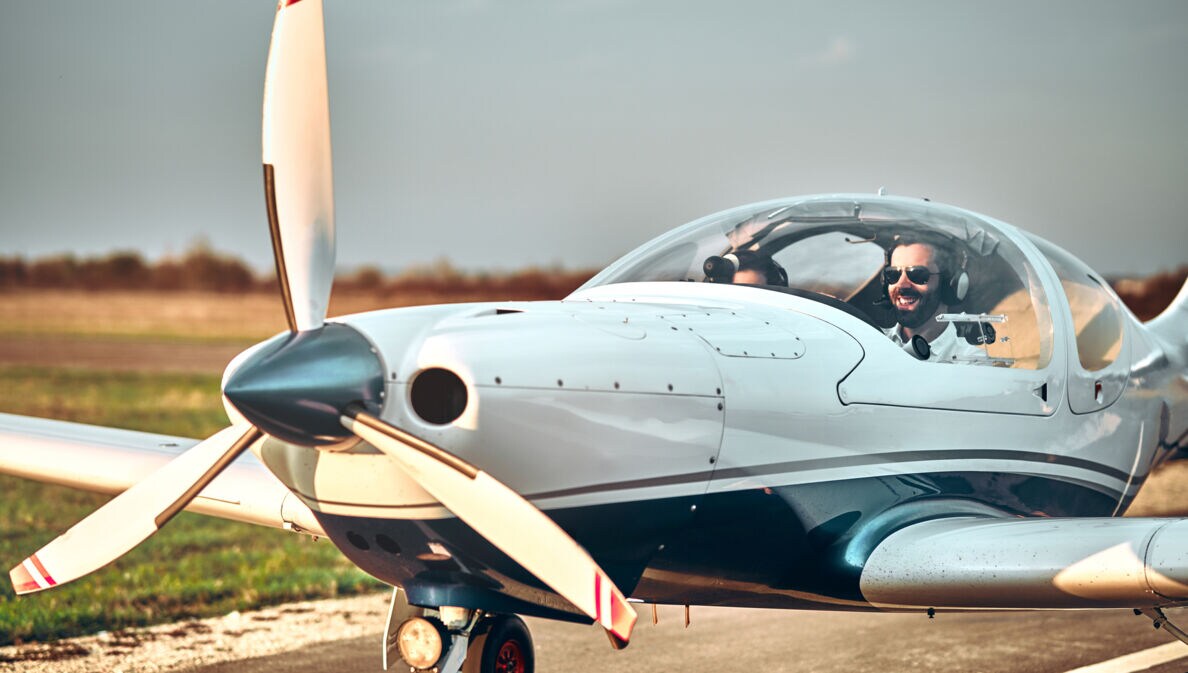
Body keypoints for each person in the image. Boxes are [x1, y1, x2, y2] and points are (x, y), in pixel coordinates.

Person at [882, 238, 984, 363]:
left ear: (950, 284)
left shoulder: (972, 363)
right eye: (893, 275)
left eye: (917, 274)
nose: (902, 285)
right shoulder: (870, 342)